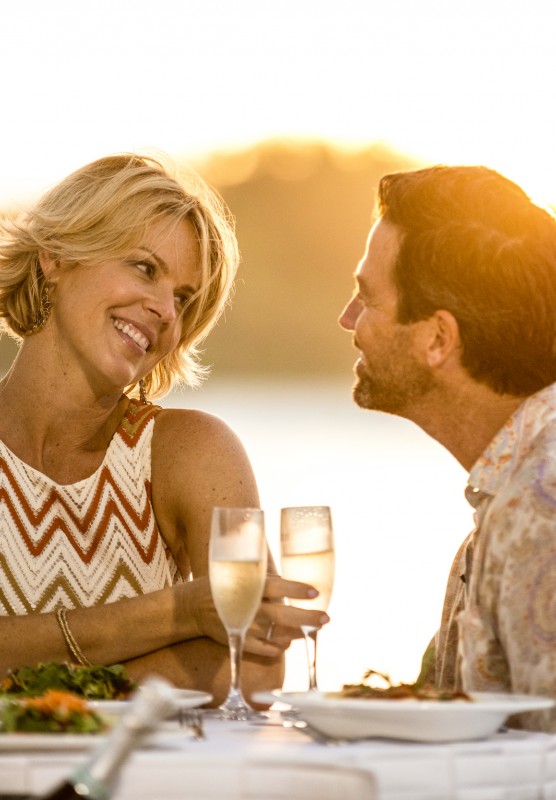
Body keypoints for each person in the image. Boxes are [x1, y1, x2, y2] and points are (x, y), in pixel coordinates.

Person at [0, 152, 328, 704]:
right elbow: (216, 635)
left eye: (183, 298)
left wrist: (34, 681)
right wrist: (178, 613)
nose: (164, 311)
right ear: (54, 257)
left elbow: (253, 666)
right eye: (145, 268)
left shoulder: (191, 451)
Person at [339, 164, 556, 731]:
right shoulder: (500, 509)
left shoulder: (540, 506)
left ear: (438, 338)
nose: (347, 319)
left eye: (366, 297)